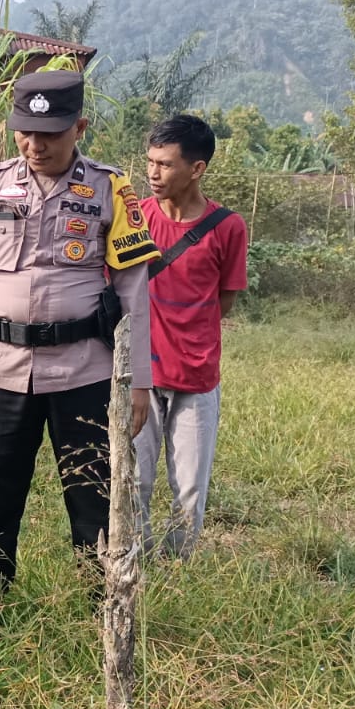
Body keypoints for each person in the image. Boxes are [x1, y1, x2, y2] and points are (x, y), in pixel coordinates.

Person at [0, 69, 159, 631]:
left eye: (50, 134)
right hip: (2, 371)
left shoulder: (111, 189)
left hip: (84, 370)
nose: (35, 145)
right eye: (25, 132)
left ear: (79, 127)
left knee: (93, 496)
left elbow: (134, 292)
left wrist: (139, 383)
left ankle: (101, 617)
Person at [136, 115, 248, 558]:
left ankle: (178, 571)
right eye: (149, 162)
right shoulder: (135, 219)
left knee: (189, 490)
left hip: (198, 379)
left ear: (197, 169)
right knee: (134, 482)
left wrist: (188, 337)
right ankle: (134, 568)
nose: (153, 173)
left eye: (164, 164)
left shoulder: (228, 227)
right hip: (140, 378)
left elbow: (225, 300)